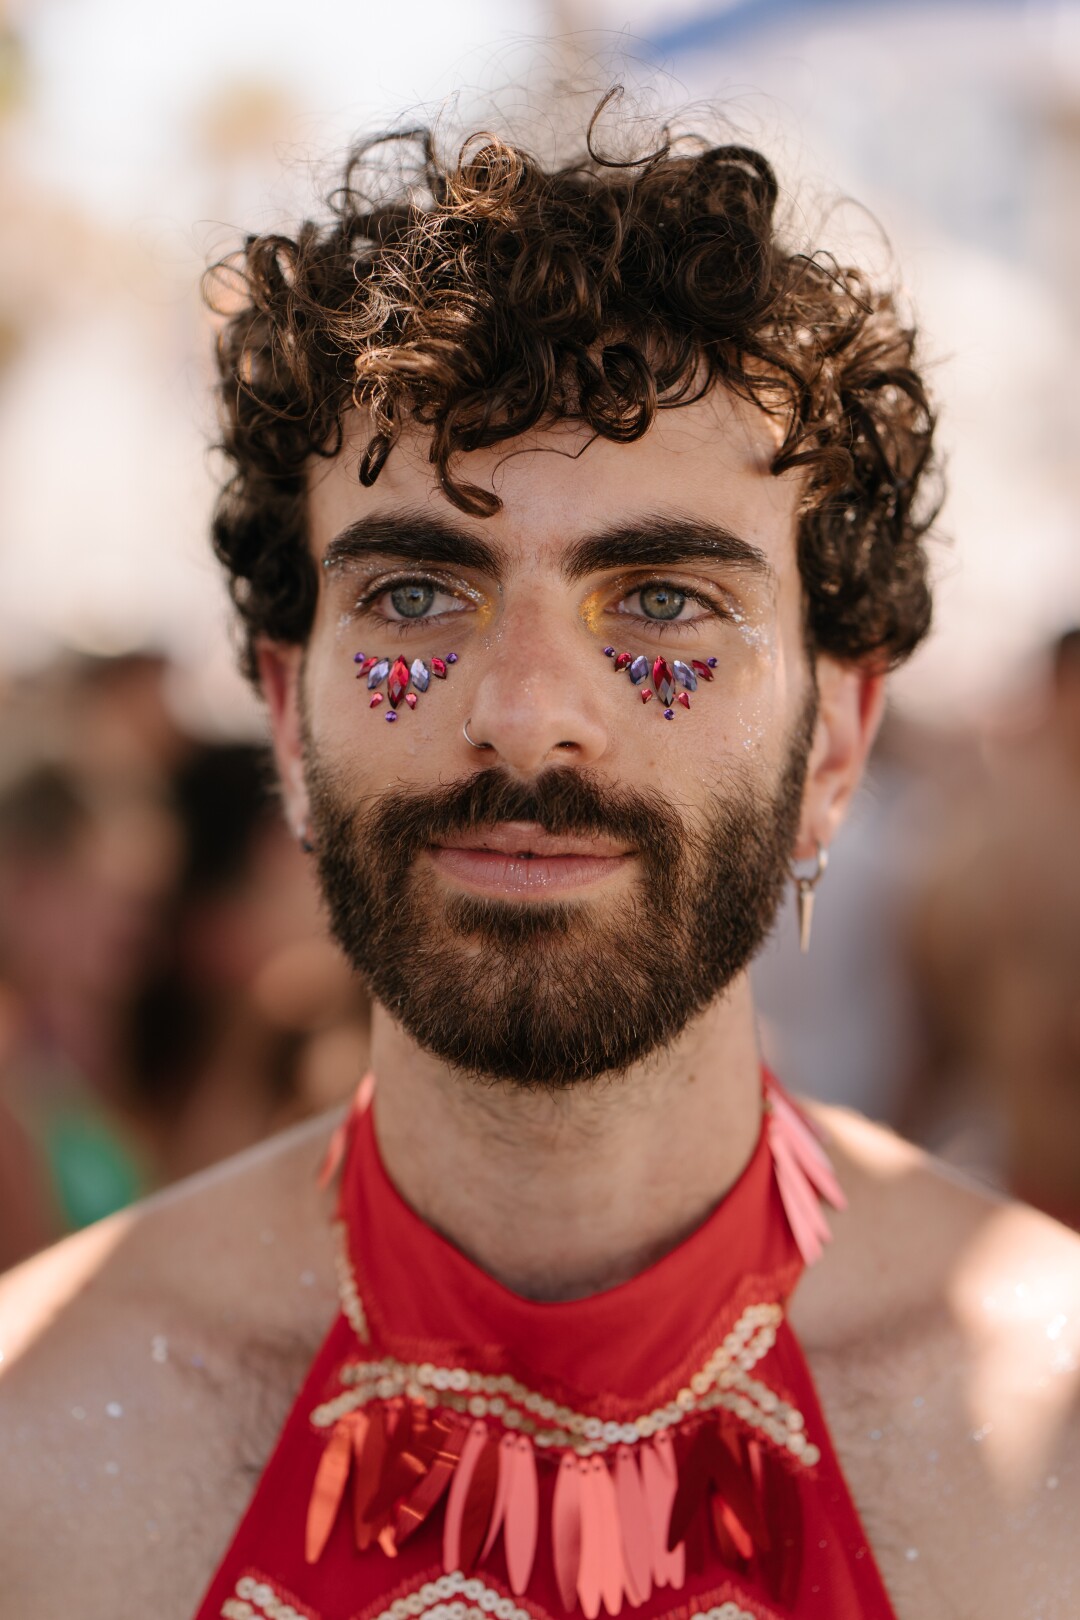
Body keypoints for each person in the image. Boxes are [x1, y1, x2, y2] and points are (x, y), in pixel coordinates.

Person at [1, 95, 1078, 1620]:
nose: (522, 719)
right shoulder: (33, 1465)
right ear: (285, 719)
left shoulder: (1052, 1461)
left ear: (836, 738)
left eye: (661, 601)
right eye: (419, 599)